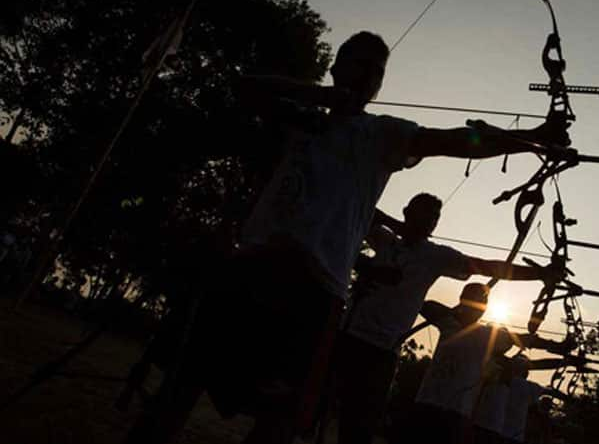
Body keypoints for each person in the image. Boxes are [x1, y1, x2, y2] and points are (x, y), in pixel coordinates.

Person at [122, 31, 570, 444]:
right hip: (252, 266)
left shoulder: (383, 134)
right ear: (337, 68)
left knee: (280, 416)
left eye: (375, 73)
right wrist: (319, 97)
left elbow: (456, 141)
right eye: (356, 65)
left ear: (378, 88)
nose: (365, 77)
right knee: (181, 385)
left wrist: (533, 136)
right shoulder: (302, 119)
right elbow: (245, 86)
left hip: (314, 291)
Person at [332, 192, 563, 444]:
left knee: (358, 430)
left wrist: (539, 273)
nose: (430, 222)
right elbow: (356, 207)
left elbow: (488, 267)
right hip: (346, 334)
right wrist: (369, 263)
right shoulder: (385, 241)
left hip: (383, 349)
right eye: (424, 214)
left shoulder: (435, 256)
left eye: (434, 218)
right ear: (407, 211)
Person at [402, 283, 574, 444]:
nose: (479, 306)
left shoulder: (486, 336)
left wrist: (557, 346)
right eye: (475, 299)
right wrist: (454, 314)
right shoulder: (448, 323)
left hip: (456, 413)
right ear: (462, 299)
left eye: (483, 301)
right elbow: (426, 305)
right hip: (427, 404)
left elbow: (525, 339)